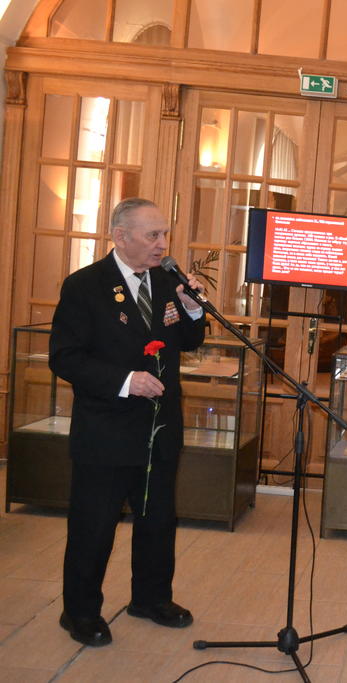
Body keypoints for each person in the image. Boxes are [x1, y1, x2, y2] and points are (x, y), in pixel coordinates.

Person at [49, 198, 206, 647]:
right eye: (153, 235)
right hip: (106, 428)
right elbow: (65, 357)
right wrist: (125, 381)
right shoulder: (85, 286)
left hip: (159, 427)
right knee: (94, 526)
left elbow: (187, 341)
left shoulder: (167, 281)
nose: (163, 244)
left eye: (164, 234)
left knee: (158, 520)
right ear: (120, 236)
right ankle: (80, 612)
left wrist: (193, 309)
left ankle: (151, 599)